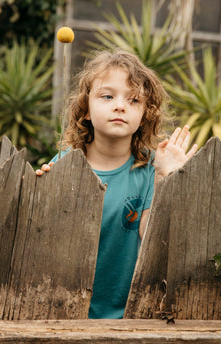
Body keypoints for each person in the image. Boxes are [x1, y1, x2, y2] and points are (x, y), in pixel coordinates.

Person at [37, 49, 197, 319]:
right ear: (86, 109)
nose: (120, 105)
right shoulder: (65, 163)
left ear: (145, 114)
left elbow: (153, 240)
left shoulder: (149, 169)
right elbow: (43, 232)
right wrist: (40, 190)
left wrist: (164, 178)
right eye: (107, 96)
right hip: (63, 309)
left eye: (133, 100)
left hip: (129, 314)